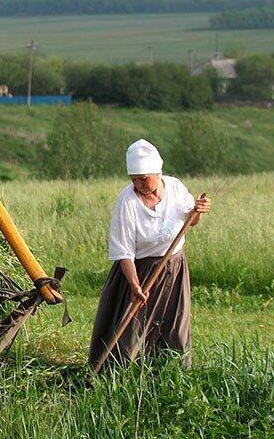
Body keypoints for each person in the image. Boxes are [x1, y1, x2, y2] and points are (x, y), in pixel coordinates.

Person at [87, 139, 212, 368]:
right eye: (134, 179)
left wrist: (198, 211)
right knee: (131, 331)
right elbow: (124, 251)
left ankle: (170, 372)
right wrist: (135, 286)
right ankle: (115, 375)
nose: (139, 184)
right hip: (138, 271)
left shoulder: (175, 187)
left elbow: (190, 221)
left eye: (144, 178)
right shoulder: (127, 202)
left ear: (157, 172)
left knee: (173, 325)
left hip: (173, 268)